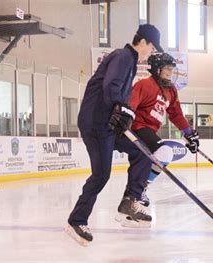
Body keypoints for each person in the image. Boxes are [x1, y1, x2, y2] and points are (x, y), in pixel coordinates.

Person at [65, 24, 163, 246]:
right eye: (152, 47)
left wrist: (123, 112)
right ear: (143, 42)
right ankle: (76, 220)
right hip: (96, 122)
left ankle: (130, 201)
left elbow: (116, 93)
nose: (152, 52)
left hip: (107, 123)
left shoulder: (129, 62)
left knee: (141, 152)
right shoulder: (123, 56)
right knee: (101, 175)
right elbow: (111, 87)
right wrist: (120, 107)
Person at [123, 52, 199, 207]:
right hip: (138, 127)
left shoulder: (171, 91)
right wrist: (125, 121)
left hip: (150, 131)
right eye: (167, 68)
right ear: (157, 69)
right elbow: (131, 105)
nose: (171, 72)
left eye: (172, 69)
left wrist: (189, 134)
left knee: (162, 154)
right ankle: (140, 188)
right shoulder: (144, 85)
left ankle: (137, 189)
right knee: (165, 151)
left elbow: (176, 114)